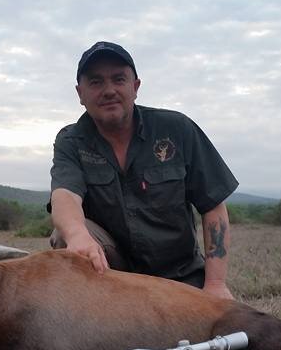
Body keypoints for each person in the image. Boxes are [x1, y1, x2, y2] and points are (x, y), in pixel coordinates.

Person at [49, 41, 238, 299]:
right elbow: (65, 195)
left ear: (135, 87)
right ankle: (98, 314)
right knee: (64, 235)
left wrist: (215, 285)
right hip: (112, 275)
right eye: (95, 82)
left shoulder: (177, 128)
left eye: (119, 79)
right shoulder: (71, 141)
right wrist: (77, 234)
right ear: (80, 93)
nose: (109, 90)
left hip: (180, 275)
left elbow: (213, 205)